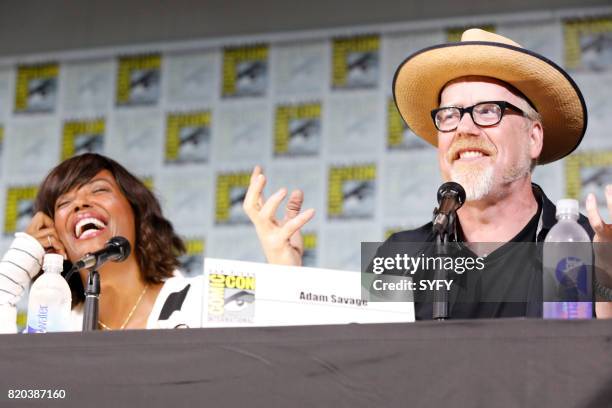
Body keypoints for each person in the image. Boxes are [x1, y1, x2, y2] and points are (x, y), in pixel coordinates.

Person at [243, 29, 612, 319]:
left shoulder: (584, 247)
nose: (464, 129)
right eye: (450, 115)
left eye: (487, 110)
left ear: (533, 138)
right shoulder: (401, 255)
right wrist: (286, 277)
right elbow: (348, 369)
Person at [0, 153, 202, 332]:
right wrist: (15, 269)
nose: (80, 203)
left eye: (99, 190)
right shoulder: (51, 329)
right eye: (64, 203)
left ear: (137, 213)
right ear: (57, 238)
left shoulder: (203, 302)